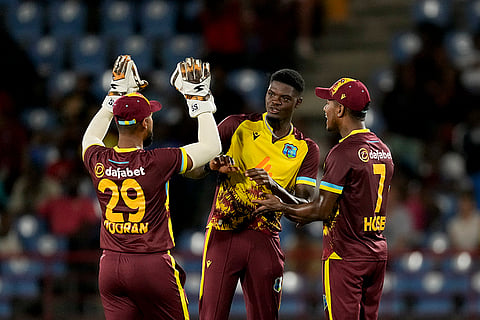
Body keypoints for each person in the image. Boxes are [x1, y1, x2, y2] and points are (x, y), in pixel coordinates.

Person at [81, 55, 221, 320]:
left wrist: (115, 96)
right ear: (145, 123)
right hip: (151, 264)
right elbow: (212, 147)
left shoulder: (97, 159)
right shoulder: (156, 161)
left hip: (110, 265)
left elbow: (90, 137)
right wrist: (199, 100)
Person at [184, 69, 320, 320]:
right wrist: (210, 166)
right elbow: (191, 169)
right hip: (223, 233)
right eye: (271, 93)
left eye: (284, 98)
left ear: (297, 102)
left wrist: (275, 188)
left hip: (265, 238)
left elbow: (304, 207)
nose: (275, 101)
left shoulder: (306, 149)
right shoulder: (236, 125)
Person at [254, 78, 394, 320]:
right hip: (376, 253)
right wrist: (278, 189)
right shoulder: (382, 149)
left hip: (345, 255)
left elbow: (322, 210)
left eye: (328, 102)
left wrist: (280, 205)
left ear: (340, 109)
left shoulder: (342, 152)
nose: (324, 108)